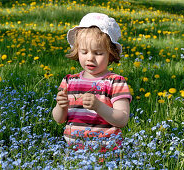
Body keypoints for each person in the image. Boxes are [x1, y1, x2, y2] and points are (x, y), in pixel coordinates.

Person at [52, 13, 132, 151]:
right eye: (84, 52)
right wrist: (61, 106)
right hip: (73, 151)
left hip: (106, 151)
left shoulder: (115, 82)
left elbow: (122, 119)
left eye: (98, 53)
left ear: (111, 54)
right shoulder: (69, 81)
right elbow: (59, 119)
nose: (90, 58)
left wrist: (98, 106)